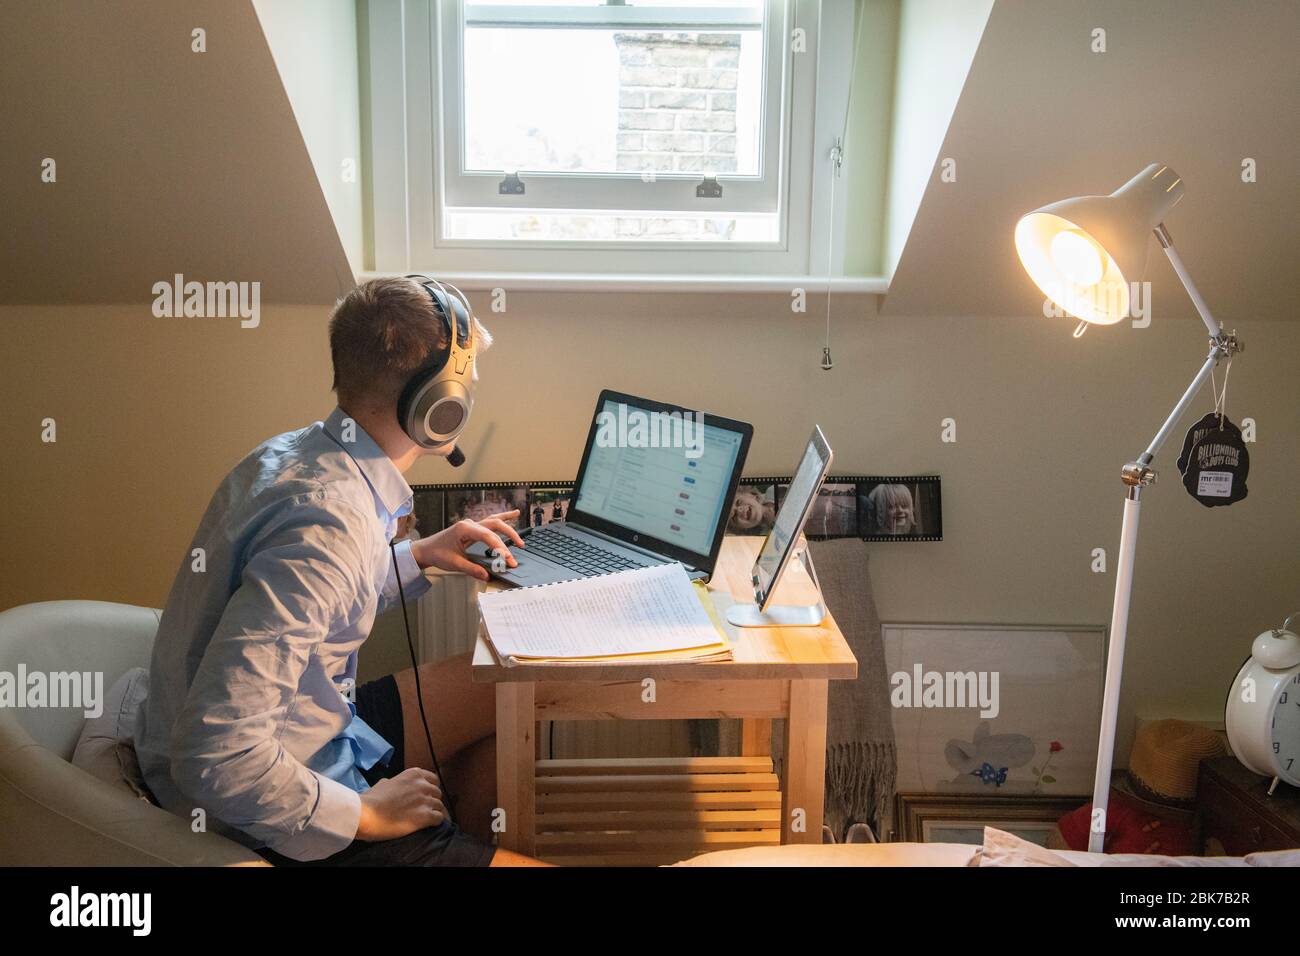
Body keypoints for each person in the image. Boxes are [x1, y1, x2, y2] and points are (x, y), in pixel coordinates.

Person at [133, 277, 547, 867]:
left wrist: (418, 556)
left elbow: (319, 598)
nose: (471, 394)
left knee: (505, 692)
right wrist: (367, 815)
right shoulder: (329, 526)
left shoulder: (303, 454)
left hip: (311, 725)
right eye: (467, 383)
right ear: (436, 404)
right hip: (267, 803)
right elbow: (215, 755)